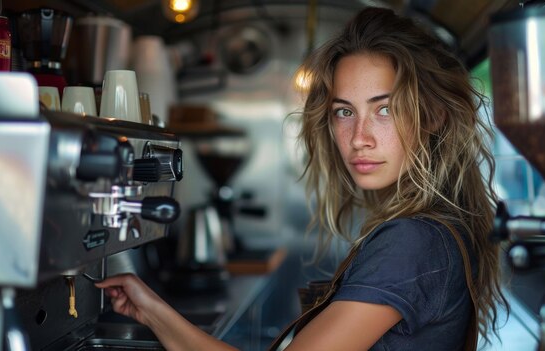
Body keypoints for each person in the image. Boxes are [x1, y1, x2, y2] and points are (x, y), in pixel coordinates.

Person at [95, 6, 508, 350]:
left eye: (385, 109)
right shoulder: (434, 228)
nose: (359, 138)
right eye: (344, 111)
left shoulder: (414, 241)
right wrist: (149, 309)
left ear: (433, 116)